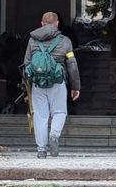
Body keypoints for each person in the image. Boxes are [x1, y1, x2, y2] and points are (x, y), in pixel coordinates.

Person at [23, 11, 81, 158]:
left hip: (37, 83)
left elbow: (26, 65)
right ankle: (54, 134)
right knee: (60, 111)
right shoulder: (65, 41)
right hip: (58, 82)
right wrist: (76, 87)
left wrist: (26, 90)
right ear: (57, 23)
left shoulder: (32, 41)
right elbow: (72, 65)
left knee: (40, 116)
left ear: (42, 24)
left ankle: (41, 149)